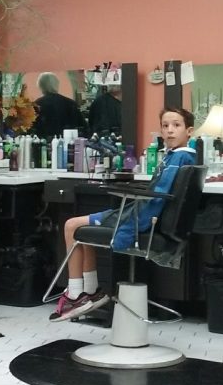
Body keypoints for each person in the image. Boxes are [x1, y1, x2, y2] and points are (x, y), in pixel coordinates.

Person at [49, 106, 197, 322]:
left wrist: (128, 229)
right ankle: (90, 292)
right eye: (165, 126)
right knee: (81, 229)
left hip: (139, 221)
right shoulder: (179, 157)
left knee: (72, 225)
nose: (170, 130)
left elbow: (157, 199)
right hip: (140, 216)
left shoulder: (178, 159)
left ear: (189, 131)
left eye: (176, 125)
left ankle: (75, 294)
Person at [31, 72, 85, 138]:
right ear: (57, 84)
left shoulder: (36, 105)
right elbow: (81, 126)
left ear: (41, 86)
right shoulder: (70, 103)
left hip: (42, 140)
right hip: (67, 140)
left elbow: (31, 128)